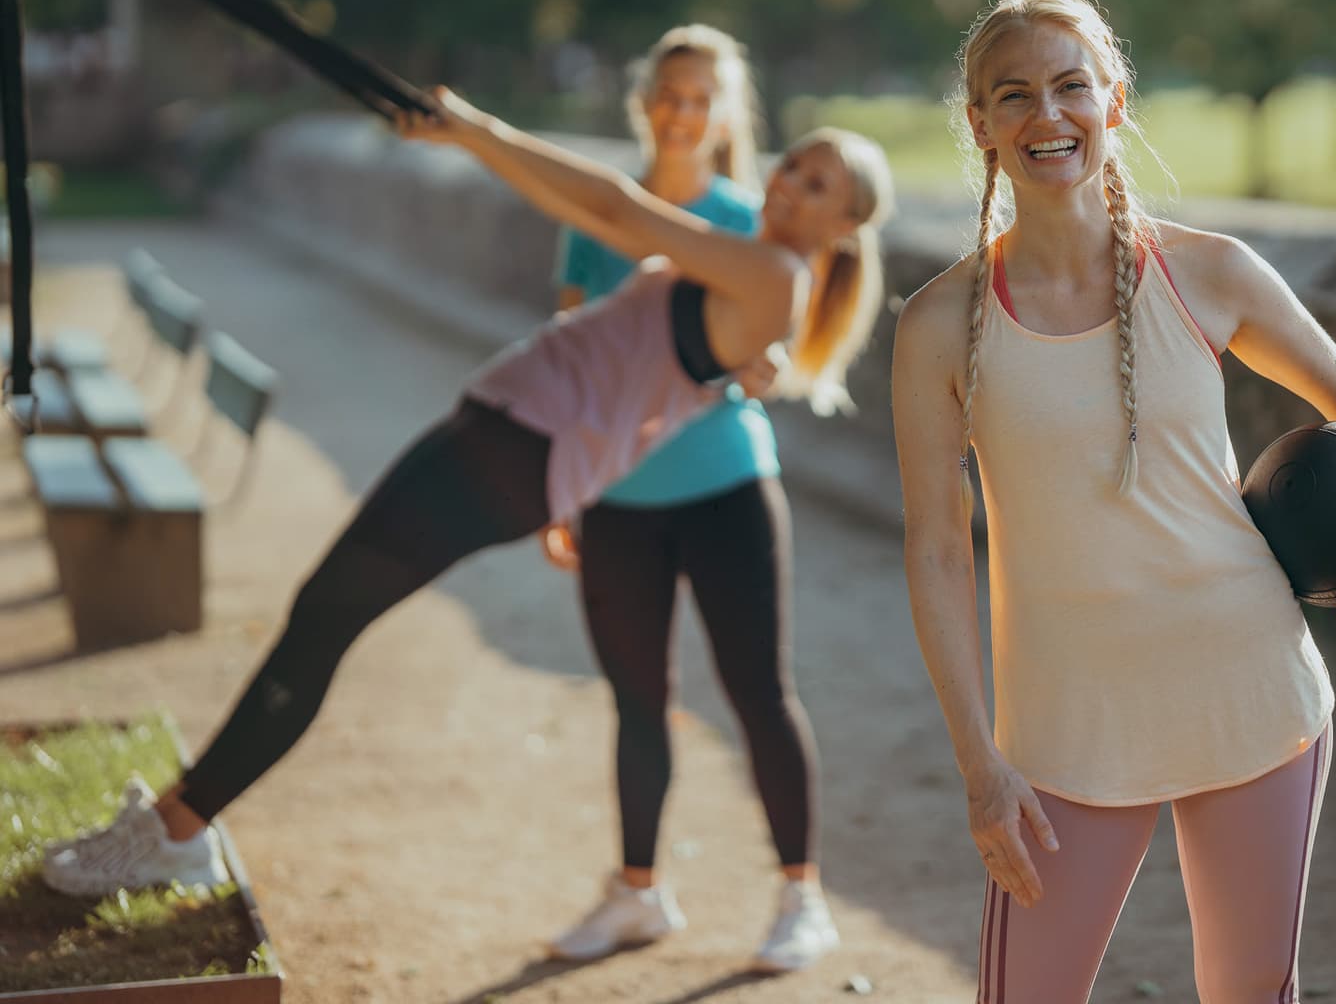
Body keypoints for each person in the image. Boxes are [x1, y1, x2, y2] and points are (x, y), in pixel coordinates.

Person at [43, 84, 893, 980]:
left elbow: (618, 207)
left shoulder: (773, 277)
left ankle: (178, 829)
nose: (787, 182)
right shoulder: (750, 260)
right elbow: (589, 215)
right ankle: (180, 820)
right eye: (793, 164)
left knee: (327, 612)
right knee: (324, 610)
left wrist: (478, 131)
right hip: (506, 435)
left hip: (516, 454)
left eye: (818, 185)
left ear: (845, 227)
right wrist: (477, 147)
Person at [890, 0, 1336, 1003]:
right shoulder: (940, 325)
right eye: (1014, 94)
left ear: (1114, 100)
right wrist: (981, 764)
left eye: (1072, 86)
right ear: (980, 123)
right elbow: (939, 547)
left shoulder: (1211, 272)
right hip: (1066, 724)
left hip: (1246, 680)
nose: (1047, 114)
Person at [538, 25, 838, 972]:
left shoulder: (751, 220)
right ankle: (638, 894)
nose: (681, 112)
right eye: (669, 93)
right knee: (638, 703)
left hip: (726, 488)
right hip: (618, 499)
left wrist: (762, 366)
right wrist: (563, 487)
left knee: (759, 694)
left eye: (701, 98)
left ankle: (801, 898)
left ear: (725, 114)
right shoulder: (598, 213)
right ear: (645, 102)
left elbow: (782, 350)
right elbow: (570, 363)